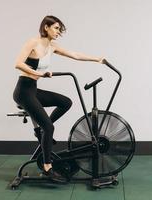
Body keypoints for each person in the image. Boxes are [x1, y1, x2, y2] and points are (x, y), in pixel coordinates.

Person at [13, 15, 104, 182]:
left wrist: (96, 59)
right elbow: (18, 63)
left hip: (33, 90)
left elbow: (74, 54)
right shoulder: (33, 42)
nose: (58, 32)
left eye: (59, 30)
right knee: (48, 127)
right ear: (46, 27)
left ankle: (43, 129)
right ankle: (48, 167)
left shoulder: (52, 47)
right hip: (23, 92)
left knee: (65, 102)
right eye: (56, 28)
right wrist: (39, 73)